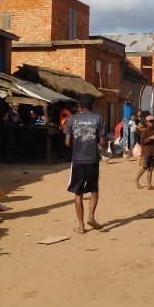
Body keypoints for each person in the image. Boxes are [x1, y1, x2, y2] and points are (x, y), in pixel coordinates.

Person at [64, 93, 106, 234]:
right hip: (92, 159)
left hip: (77, 160)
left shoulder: (71, 119)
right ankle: (91, 216)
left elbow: (67, 142)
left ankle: (81, 227)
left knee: (78, 192)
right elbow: (102, 142)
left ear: (80, 106)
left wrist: (76, 146)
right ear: (93, 105)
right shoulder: (98, 119)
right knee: (94, 189)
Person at [136, 115, 154, 190]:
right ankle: (136, 180)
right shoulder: (145, 131)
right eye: (150, 122)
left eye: (152, 121)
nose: (151, 123)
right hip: (146, 152)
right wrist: (150, 138)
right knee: (145, 167)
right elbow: (141, 141)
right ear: (146, 122)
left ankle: (149, 185)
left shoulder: (153, 130)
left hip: (151, 152)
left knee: (151, 168)